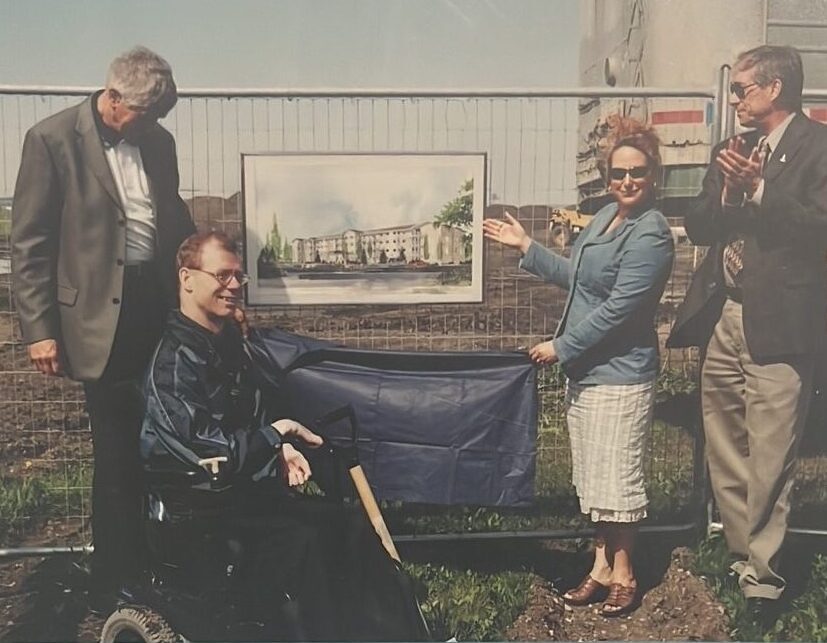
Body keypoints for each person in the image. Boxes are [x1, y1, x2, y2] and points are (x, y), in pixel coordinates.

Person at [140, 231, 427, 641]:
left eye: (239, 276)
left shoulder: (227, 348)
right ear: (187, 278)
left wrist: (281, 448)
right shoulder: (173, 365)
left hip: (245, 498)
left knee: (346, 524)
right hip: (199, 515)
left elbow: (252, 418)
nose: (235, 286)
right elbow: (211, 455)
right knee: (305, 544)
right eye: (223, 275)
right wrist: (278, 434)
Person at [11, 46, 196, 600]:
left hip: (156, 305)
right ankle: (118, 576)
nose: (152, 125)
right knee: (117, 449)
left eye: (159, 116)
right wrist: (39, 329)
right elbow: (31, 243)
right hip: (97, 316)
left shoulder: (158, 142)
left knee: (166, 439)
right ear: (113, 97)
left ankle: (167, 558)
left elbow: (174, 216)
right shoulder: (50, 140)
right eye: (144, 113)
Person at [483, 117, 674, 617]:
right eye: (617, 173)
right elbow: (581, 281)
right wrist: (528, 247)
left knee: (617, 476)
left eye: (636, 173)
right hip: (588, 374)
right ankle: (599, 567)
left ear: (653, 174)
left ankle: (626, 573)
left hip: (621, 374)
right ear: (607, 176)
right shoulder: (606, 216)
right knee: (592, 476)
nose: (626, 182)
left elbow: (620, 309)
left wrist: (560, 346)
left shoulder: (650, 233)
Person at [667, 45, 827, 622]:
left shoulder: (820, 148)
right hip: (725, 316)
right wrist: (733, 192)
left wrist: (762, 191)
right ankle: (740, 555)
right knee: (725, 442)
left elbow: (820, 228)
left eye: (741, 90)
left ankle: (765, 580)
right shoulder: (730, 151)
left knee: (772, 451)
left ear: (774, 90)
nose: (733, 99)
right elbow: (701, 224)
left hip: (784, 321)